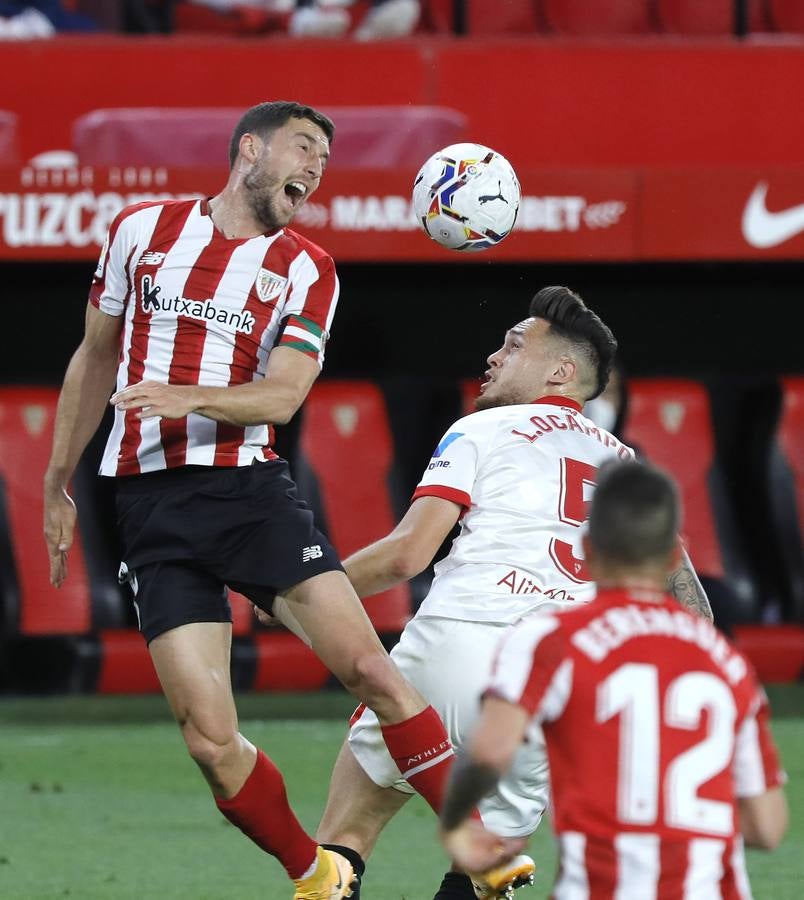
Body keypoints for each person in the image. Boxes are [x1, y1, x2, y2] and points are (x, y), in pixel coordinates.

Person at [42, 100, 457, 900]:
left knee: (372, 667)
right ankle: (317, 876)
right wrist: (59, 480)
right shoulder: (141, 230)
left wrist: (184, 396)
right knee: (207, 739)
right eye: (303, 149)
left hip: (249, 496)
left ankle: (483, 855)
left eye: (324, 164)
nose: (313, 170)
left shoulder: (309, 268)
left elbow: (284, 397)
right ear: (249, 150)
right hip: (150, 513)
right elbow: (95, 357)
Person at [288, 287, 711, 900]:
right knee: (482, 873)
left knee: (347, 835)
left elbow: (409, 552)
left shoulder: (484, 427)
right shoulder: (629, 469)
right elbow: (685, 596)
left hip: (455, 649)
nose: (492, 356)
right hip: (547, 686)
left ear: (561, 372)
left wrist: (304, 590)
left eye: (512, 346)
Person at [440, 460, 788, 898]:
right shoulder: (727, 662)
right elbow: (767, 827)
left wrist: (456, 825)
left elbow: (489, 753)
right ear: (672, 557)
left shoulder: (550, 638)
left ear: (586, 548)